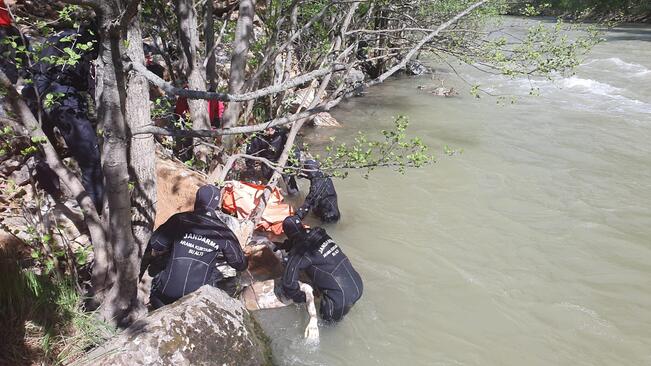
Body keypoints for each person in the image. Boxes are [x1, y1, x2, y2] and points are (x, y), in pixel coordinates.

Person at [149, 184, 248, 309]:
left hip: (165, 292)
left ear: (197, 200)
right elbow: (240, 264)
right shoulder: (224, 232)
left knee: (156, 272)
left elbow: (156, 243)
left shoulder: (180, 219)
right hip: (195, 298)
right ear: (217, 205)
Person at [281, 216, 362, 322]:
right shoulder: (320, 234)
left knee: (328, 325)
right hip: (357, 284)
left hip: (339, 298)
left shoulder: (300, 251)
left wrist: (301, 298)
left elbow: (289, 284)